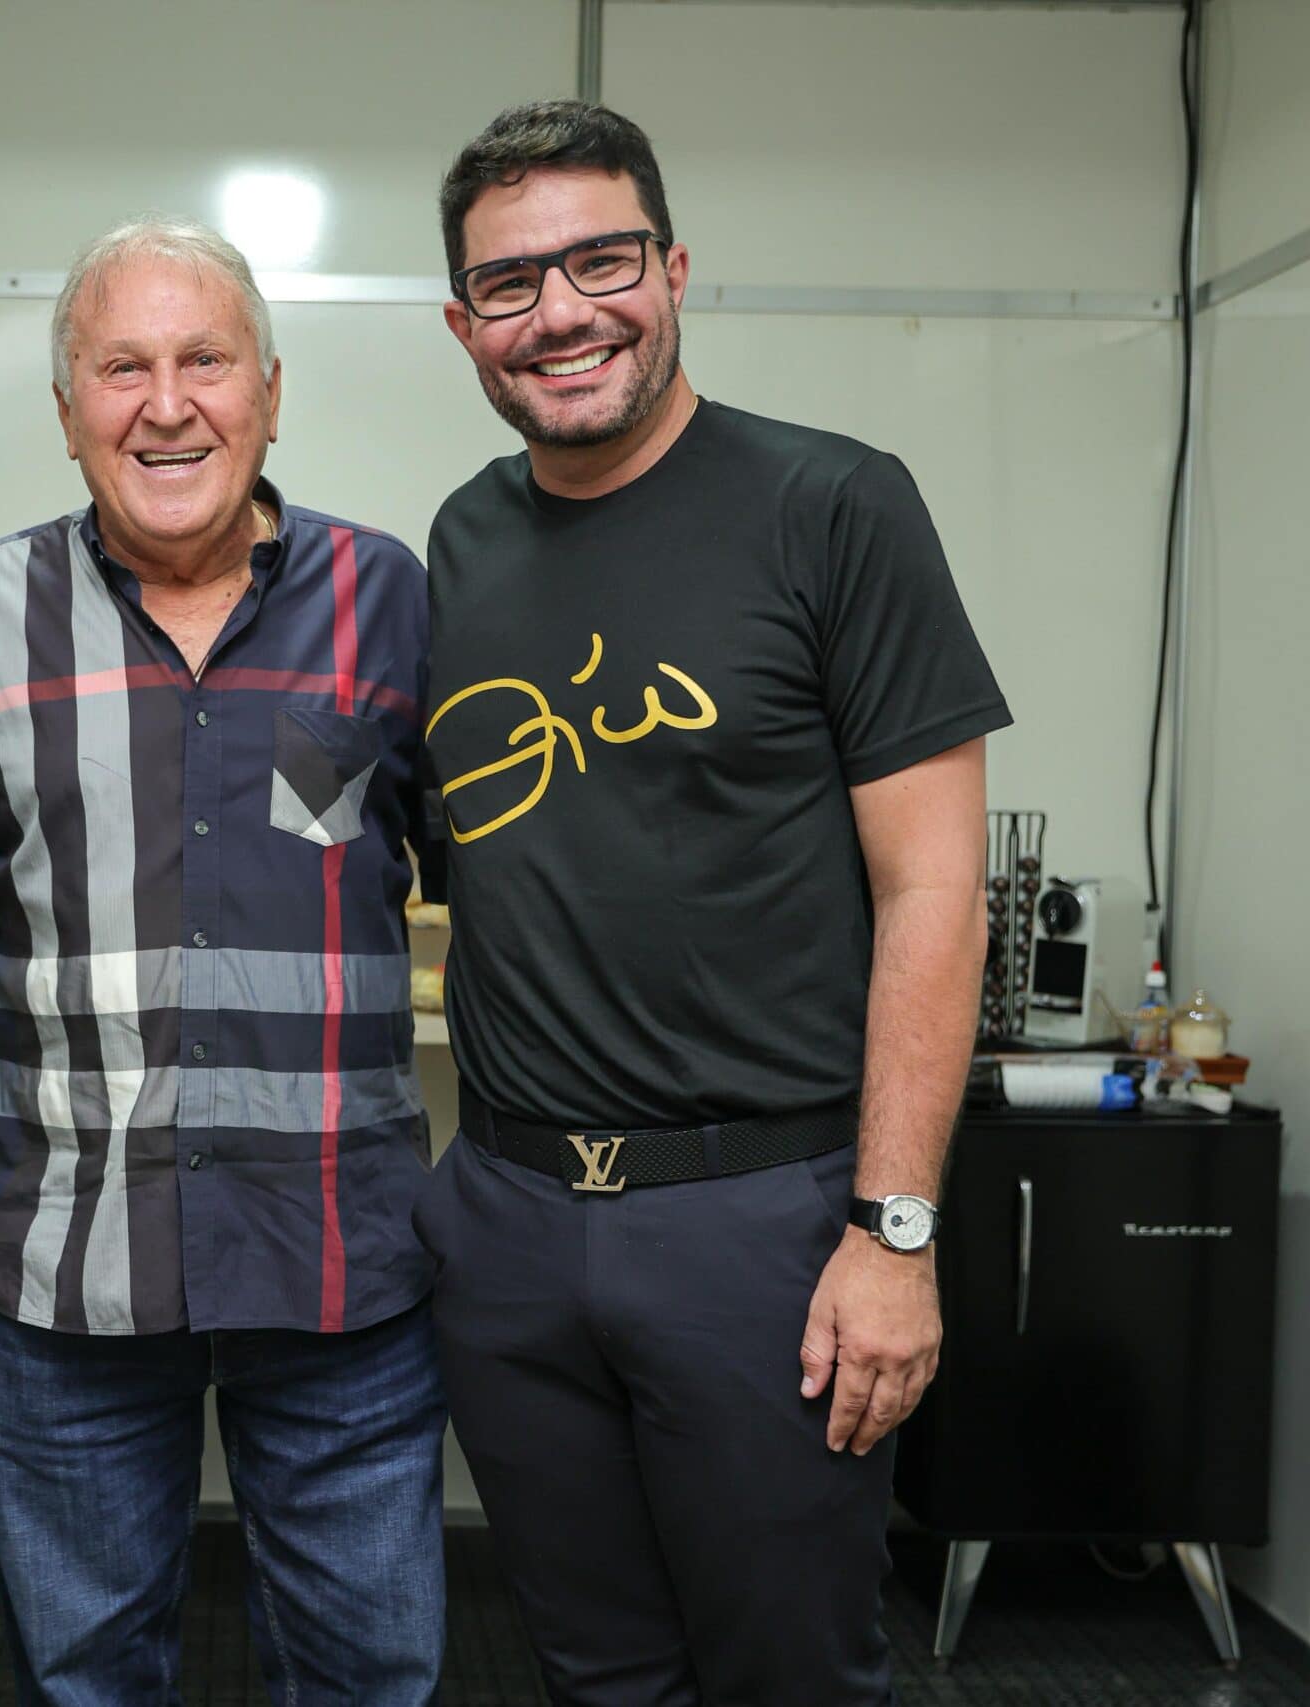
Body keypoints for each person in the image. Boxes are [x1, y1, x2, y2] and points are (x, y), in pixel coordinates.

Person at [417, 101, 1012, 1704]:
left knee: (786, 1674)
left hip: (759, 1226)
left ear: (674, 271)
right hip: (512, 1220)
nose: (561, 312)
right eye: (510, 283)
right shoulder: (464, 542)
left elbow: (936, 889)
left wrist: (892, 1233)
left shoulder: (835, 506)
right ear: (465, 326)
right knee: (592, 1670)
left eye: (601, 262)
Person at [0, 218, 444, 1704]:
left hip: (338, 1265)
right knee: (87, 1678)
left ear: (269, 391)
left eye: (204, 360)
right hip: (62, 1261)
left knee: (368, 1675)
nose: (165, 405)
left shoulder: (390, 600)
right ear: (66, 408)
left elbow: (486, 874)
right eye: (120, 367)